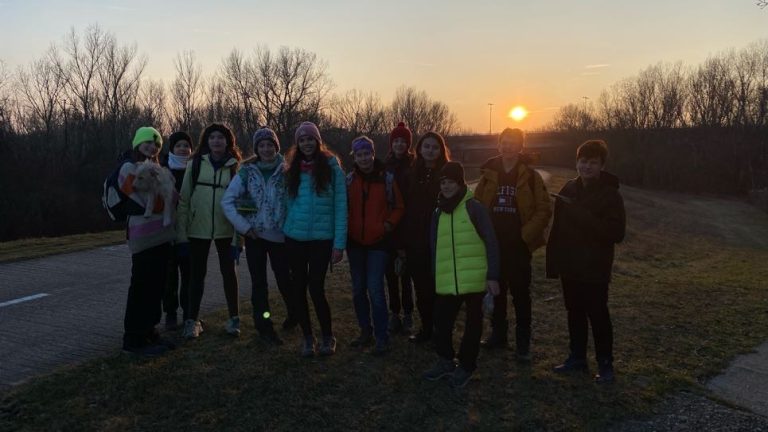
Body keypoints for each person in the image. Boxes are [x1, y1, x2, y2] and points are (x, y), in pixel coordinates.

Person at [547, 139, 625, 383]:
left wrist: (582, 214)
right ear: (576, 162)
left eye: (593, 162)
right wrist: (554, 261)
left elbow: (616, 233)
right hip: (570, 266)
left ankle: (605, 363)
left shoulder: (611, 195)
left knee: (598, 314)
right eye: (583, 161)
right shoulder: (568, 188)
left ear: (602, 165)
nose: (587, 167)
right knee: (574, 312)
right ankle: (577, 357)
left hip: (595, 268)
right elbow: (557, 229)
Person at [474, 127, 552, 361]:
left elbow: (544, 209)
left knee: (521, 295)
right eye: (504, 142)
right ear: (498, 144)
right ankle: (498, 334)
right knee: (496, 291)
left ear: (520, 146)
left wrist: (525, 235)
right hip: (493, 246)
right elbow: (476, 205)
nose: (508, 146)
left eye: (513, 142)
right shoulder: (488, 173)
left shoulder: (531, 176)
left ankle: (522, 342)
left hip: (518, 247)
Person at [421, 162, 500, 388]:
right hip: (447, 280)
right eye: (443, 182)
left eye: (451, 182)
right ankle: (446, 360)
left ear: (460, 183)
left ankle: (466, 366)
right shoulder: (438, 212)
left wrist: (493, 275)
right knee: (441, 323)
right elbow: (434, 246)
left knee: (473, 327)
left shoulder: (475, 208)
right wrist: (436, 274)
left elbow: (491, 241)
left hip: (476, 279)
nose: (446, 186)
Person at [221, 127, 294, 346]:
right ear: (256, 148)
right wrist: (244, 227)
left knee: (285, 279)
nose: (266, 149)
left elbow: (297, 200)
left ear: (276, 147)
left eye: (270, 145)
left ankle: (294, 313)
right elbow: (227, 201)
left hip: (281, 237)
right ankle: (264, 326)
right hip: (255, 237)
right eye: (261, 145)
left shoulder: (287, 170)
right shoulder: (246, 172)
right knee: (259, 283)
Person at [283, 121, 347, 357]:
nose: (306, 143)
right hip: (295, 238)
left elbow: (341, 207)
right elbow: (287, 203)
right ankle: (308, 337)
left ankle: (328, 336)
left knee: (316, 288)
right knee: (298, 287)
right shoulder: (292, 169)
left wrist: (339, 244)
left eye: (310, 139)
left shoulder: (332, 168)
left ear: (318, 141)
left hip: (322, 239)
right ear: (297, 144)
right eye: (302, 140)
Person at [176, 123, 243, 339]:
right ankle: (191, 320)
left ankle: (234, 319)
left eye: (220, 137)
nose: (216, 141)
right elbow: (184, 201)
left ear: (228, 141)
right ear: (206, 141)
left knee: (229, 274)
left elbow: (241, 205)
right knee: (196, 275)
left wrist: (238, 240)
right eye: (212, 137)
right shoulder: (195, 164)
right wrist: (182, 236)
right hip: (197, 228)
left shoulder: (235, 167)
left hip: (226, 228)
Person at [119, 126, 177, 357]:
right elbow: (144, 199)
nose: (152, 147)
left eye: (156, 144)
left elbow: (173, 198)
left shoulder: (157, 169)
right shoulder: (127, 168)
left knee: (157, 285)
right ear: (137, 143)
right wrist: (166, 196)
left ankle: (150, 331)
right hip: (143, 236)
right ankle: (133, 339)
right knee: (142, 286)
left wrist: (168, 195)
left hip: (162, 235)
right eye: (147, 142)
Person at [346, 136, 405, 355]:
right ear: (354, 157)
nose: (363, 158)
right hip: (355, 244)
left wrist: (388, 224)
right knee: (358, 290)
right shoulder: (349, 180)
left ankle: (382, 336)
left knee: (375, 289)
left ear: (373, 154)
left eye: (366, 154)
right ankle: (365, 331)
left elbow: (399, 207)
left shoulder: (386, 179)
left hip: (379, 243)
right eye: (359, 155)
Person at [402, 131, 450, 344]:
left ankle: (441, 330)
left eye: (435, 147)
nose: (430, 151)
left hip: (440, 238)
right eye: (427, 146)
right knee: (421, 287)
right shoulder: (411, 174)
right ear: (420, 149)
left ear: (441, 151)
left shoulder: (447, 174)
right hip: (415, 239)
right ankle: (426, 328)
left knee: (439, 288)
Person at [383, 122, 415, 335]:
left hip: (408, 225)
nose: (400, 144)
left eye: (403, 141)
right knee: (390, 274)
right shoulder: (385, 166)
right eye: (396, 141)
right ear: (391, 143)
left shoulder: (414, 166)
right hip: (389, 226)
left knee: (406, 275)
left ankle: (408, 313)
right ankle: (394, 313)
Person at [161, 131, 193, 331]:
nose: (183, 149)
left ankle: (189, 313)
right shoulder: (163, 169)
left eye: (186, 146)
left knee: (190, 275)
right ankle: (170, 313)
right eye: (178, 146)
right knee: (170, 275)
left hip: (190, 230)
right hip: (169, 230)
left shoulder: (195, 168)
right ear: (172, 148)